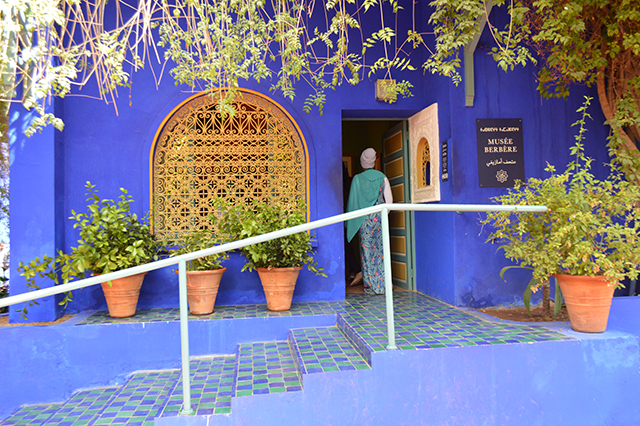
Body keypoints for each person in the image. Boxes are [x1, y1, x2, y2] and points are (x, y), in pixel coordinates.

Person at [345, 148, 392, 294]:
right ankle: (382, 286)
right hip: (378, 219)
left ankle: (370, 286)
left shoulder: (357, 179)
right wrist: (379, 216)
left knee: (366, 253)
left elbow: (353, 203)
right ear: (374, 161)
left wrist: (351, 221)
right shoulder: (382, 177)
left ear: (362, 161)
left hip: (363, 220)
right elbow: (389, 202)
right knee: (380, 251)